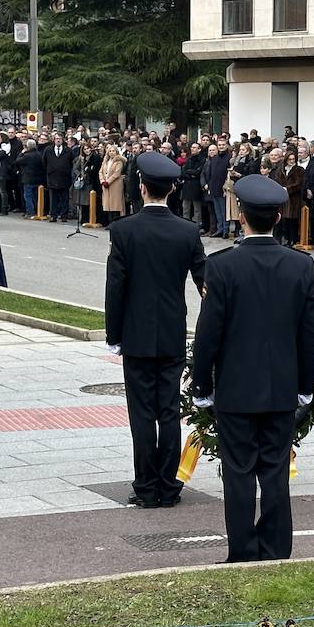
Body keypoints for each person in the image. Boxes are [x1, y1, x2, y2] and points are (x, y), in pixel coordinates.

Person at [191, 175, 314, 563]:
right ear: (279, 217)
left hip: (236, 387)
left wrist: (201, 386)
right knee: (275, 472)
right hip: (281, 387)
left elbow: (208, 334)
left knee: (239, 472)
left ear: (241, 216)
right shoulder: (300, 265)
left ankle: (243, 551)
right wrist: (305, 386)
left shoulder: (223, 266)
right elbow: (308, 333)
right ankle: (276, 548)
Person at [103, 152, 207, 509]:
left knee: (142, 414)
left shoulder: (124, 230)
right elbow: (205, 285)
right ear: (173, 189)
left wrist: (113, 335)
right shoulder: (188, 231)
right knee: (169, 411)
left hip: (136, 334)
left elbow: (115, 287)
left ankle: (146, 485)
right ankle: (169, 483)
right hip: (172, 333)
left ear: (142, 188)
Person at [44, 133, 75, 222]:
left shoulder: (68, 150)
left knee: (64, 198)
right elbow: (44, 162)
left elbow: (71, 162)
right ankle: (53, 215)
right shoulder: (48, 150)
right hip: (52, 177)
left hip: (64, 178)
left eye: (60, 139)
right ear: (54, 140)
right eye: (56, 138)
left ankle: (64, 215)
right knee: (53, 198)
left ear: (62, 140)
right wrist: (49, 170)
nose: (58, 140)